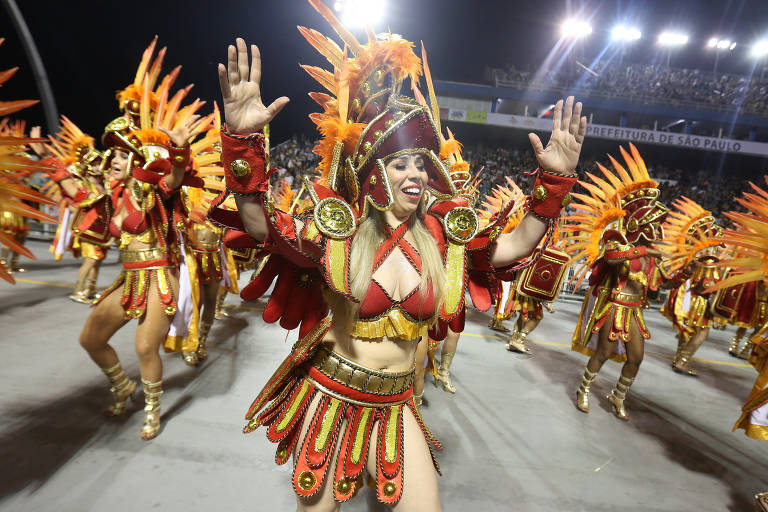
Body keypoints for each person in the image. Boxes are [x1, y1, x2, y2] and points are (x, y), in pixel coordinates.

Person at [208, 3, 585, 506]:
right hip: (331, 396)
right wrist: (241, 142)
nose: (414, 174)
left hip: (395, 403)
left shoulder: (442, 237)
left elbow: (513, 248)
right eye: (400, 164)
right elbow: (259, 226)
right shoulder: (337, 235)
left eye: (420, 164)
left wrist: (554, 183)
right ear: (373, 176)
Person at [77, 50, 216, 439]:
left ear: (136, 160)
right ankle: (122, 385)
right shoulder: (111, 196)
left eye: (123, 154)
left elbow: (173, 179)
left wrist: (177, 151)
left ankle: (152, 409)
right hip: (129, 280)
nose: (115, 159)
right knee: (90, 338)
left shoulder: (152, 192)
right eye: (113, 154)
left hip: (158, 277)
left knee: (143, 347)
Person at [567, 145, 690, 420]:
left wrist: (682, 275)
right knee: (605, 352)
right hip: (612, 305)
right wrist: (646, 251)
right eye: (652, 224)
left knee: (636, 358)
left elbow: (662, 284)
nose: (657, 230)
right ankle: (583, 389)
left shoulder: (651, 254)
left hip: (634, 309)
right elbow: (611, 258)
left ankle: (617, 395)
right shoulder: (618, 240)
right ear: (638, 224)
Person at [30, 119, 114, 302]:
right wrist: (41, 149)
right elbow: (59, 174)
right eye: (94, 164)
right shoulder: (80, 183)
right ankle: (78, 290)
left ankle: (90, 289)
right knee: (91, 259)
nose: (97, 167)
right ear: (87, 167)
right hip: (87, 228)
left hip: (103, 231)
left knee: (98, 260)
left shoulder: (107, 182)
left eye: (100, 163)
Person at [656, 197, 723, 377]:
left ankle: (679, 358)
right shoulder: (709, 259)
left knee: (686, 332)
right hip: (699, 301)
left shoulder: (695, 253)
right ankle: (682, 360)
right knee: (702, 333)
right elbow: (704, 284)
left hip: (688, 296)